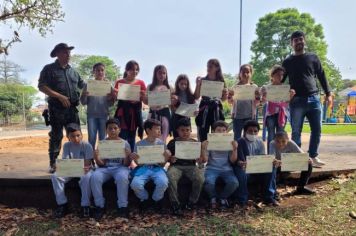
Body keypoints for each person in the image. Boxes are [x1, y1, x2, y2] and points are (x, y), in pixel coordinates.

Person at [282, 30, 333, 167]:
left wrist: (328, 93)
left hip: (314, 99)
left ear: (305, 41)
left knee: (317, 129)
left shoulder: (313, 57)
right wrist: (274, 92)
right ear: (291, 44)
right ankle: (297, 159)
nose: (299, 42)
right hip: (296, 101)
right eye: (295, 40)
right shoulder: (287, 62)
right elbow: (280, 80)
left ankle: (313, 156)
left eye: (301, 39)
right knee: (296, 131)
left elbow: (322, 75)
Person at [38, 43, 85, 173]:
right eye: (65, 52)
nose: (68, 55)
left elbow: (84, 85)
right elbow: (42, 86)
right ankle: (53, 163)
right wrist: (59, 96)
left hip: (72, 110)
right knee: (56, 136)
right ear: (57, 54)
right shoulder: (49, 69)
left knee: (76, 135)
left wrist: (101, 88)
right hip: (56, 110)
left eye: (69, 52)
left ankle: (79, 162)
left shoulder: (74, 71)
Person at [90, 118, 131, 220]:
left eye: (115, 128)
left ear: (119, 130)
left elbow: (126, 164)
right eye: (110, 128)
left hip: (120, 168)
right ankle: (100, 206)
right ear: (106, 130)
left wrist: (127, 156)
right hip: (106, 168)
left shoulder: (125, 143)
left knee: (122, 177)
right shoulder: (103, 143)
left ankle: (122, 207)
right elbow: (101, 164)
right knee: (95, 177)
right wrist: (96, 157)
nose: (112, 130)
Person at [51, 123, 93, 218]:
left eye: (78, 135)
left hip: (84, 170)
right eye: (72, 136)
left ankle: (85, 205)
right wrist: (58, 166)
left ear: (82, 135)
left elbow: (86, 164)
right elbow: (66, 161)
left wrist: (71, 165)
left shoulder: (87, 145)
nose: (76, 138)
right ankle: (62, 204)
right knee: (55, 176)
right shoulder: (66, 146)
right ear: (68, 137)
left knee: (86, 177)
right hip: (71, 169)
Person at [232, 120, 278, 208]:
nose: (253, 133)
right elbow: (236, 160)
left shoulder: (260, 142)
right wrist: (240, 163)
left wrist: (271, 161)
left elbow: (262, 157)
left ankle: (269, 197)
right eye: (250, 131)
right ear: (245, 131)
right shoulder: (239, 142)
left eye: (255, 131)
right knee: (240, 171)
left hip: (258, 169)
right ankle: (242, 199)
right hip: (246, 170)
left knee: (272, 166)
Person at [166, 118, 206, 216]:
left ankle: (192, 202)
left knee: (200, 178)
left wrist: (199, 159)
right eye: (182, 130)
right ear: (177, 131)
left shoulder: (195, 143)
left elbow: (202, 161)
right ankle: (175, 204)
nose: (185, 132)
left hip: (191, 166)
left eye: (187, 130)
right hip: (176, 166)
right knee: (170, 177)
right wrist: (171, 158)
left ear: (191, 130)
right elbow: (167, 158)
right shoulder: (172, 142)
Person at [129, 119, 171, 213]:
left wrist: (166, 157)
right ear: (148, 130)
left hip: (157, 168)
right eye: (157, 129)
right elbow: (139, 164)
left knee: (163, 182)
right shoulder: (139, 144)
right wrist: (135, 158)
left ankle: (156, 200)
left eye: (160, 129)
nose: (160, 131)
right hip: (143, 168)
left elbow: (162, 164)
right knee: (135, 184)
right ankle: (144, 199)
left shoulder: (161, 144)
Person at [203, 120, 239, 209]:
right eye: (218, 130)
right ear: (213, 132)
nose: (221, 132)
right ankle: (213, 197)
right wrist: (203, 149)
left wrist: (235, 149)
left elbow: (233, 160)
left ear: (227, 132)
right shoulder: (209, 142)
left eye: (224, 130)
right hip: (211, 168)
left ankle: (223, 197)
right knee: (208, 182)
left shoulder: (230, 143)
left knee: (234, 183)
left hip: (227, 169)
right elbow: (205, 160)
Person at [80, 63, 115, 149]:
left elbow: (111, 104)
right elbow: (83, 102)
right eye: (97, 70)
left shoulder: (108, 85)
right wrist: (84, 95)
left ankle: (101, 158)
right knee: (91, 138)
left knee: (103, 138)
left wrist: (111, 98)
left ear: (104, 72)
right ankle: (90, 159)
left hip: (104, 115)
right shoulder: (88, 85)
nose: (100, 72)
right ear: (93, 72)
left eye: (102, 70)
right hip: (91, 115)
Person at [261, 65, 295, 153]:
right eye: (278, 75)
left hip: (282, 114)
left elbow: (287, 102)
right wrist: (263, 96)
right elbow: (263, 102)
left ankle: (279, 155)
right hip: (270, 114)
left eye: (282, 75)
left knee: (281, 136)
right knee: (271, 135)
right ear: (272, 75)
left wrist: (291, 96)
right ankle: (270, 155)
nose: (280, 77)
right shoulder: (266, 88)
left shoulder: (285, 88)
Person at [114, 60, 147, 151]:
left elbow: (145, 100)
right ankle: (122, 159)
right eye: (132, 69)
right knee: (122, 135)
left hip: (135, 113)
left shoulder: (141, 83)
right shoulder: (119, 82)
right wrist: (114, 95)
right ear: (126, 70)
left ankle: (131, 159)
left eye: (136, 70)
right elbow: (115, 99)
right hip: (122, 114)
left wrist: (143, 96)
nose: (134, 71)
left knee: (132, 137)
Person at [194, 59, 228, 141]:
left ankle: (215, 152)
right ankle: (202, 152)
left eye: (210, 66)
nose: (208, 68)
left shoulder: (221, 81)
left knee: (217, 133)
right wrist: (198, 85)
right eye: (207, 66)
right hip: (204, 108)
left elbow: (223, 99)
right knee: (203, 134)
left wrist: (225, 94)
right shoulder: (202, 80)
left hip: (216, 109)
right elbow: (196, 96)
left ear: (217, 68)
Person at [230, 64, 260, 141]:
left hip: (250, 116)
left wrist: (257, 96)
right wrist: (230, 96)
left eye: (248, 72)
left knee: (248, 137)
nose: (245, 74)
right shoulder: (234, 87)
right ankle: (237, 152)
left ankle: (247, 152)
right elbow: (230, 102)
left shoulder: (254, 87)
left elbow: (257, 103)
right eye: (243, 72)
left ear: (251, 74)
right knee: (237, 137)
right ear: (240, 73)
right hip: (237, 116)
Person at [147, 65, 173, 143]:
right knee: (152, 136)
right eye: (159, 73)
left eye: (164, 73)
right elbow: (145, 101)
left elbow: (172, 104)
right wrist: (144, 98)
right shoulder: (150, 87)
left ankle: (162, 152)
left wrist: (174, 100)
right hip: (153, 114)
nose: (162, 75)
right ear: (155, 74)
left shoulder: (169, 87)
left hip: (165, 114)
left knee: (164, 136)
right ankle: (153, 153)